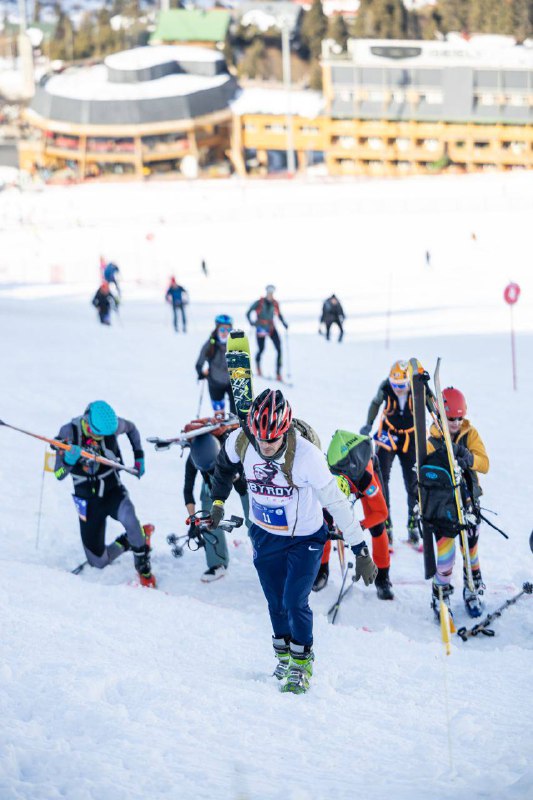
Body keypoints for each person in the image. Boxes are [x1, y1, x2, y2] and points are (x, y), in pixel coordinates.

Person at [208, 389, 377, 694]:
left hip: (305, 538)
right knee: (275, 602)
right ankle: (284, 657)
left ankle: (302, 664)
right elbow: (222, 467)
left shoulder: (307, 457)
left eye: (271, 440)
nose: (265, 445)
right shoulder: (241, 440)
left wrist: (361, 549)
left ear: (284, 431)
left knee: (294, 600)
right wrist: (218, 501)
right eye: (260, 437)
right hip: (264, 532)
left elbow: (337, 504)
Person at [53, 400, 155, 587]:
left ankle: (143, 567)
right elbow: (58, 474)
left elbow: (132, 429)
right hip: (87, 502)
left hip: (112, 492)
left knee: (130, 520)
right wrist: (68, 459)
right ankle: (128, 541)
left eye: (104, 436)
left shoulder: (112, 426)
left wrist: (139, 456)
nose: (100, 439)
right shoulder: (68, 432)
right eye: (96, 434)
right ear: (87, 422)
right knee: (98, 562)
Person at [425, 387, 489, 619]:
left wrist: (468, 458)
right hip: (443, 506)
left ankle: (472, 588)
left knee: (470, 550)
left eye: (460, 418)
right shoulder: (432, 439)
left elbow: (485, 464)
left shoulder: (469, 434)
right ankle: (440, 595)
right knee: (446, 556)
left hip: (469, 501)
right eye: (451, 418)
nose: (456, 423)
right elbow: (424, 470)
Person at [315, 430, 393, 600]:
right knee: (324, 524)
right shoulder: (325, 481)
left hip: (366, 470)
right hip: (341, 479)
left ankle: (383, 577)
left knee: (378, 528)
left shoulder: (366, 480)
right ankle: (322, 569)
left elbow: (382, 513)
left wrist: (359, 525)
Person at [360, 360, 418, 546]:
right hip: (388, 434)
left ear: (408, 381)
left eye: (401, 385)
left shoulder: (417, 388)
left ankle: (413, 525)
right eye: (395, 385)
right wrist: (369, 423)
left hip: (410, 437)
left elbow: (432, 405)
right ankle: (387, 525)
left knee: (413, 481)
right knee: (381, 478)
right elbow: (375, 403)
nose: (398, 389)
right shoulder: (385, 386)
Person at [184, 425, 249, 582]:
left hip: (238, 475)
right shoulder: (194, 458)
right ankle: (217, 563)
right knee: (208, 514)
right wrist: (194, 520)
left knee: (255, 514)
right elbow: (188, 490)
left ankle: (267, 554)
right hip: (211, 483)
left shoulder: (234, 448)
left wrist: (237, 479)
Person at [195, 315, 236, 416]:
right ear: (217, 328)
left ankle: (235, 429)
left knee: (235, 415)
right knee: (219, 415)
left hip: (232, 383)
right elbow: (199, 363)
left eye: (228, 329)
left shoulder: (235, 343)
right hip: (215, 382)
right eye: (222, 329)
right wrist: (201, 372)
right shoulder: (210, 344)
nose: (224, 332)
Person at [246, 285, 288, 381]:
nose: (270, 294)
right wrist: (251, 322)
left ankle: (278, 373)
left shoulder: (275, 303)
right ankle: (258, 367)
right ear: (266, 292)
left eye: (272, 292)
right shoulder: (259, 302)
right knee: (261, 349)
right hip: (260, 328)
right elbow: (248, 312)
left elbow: (279, 314)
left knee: (279, 349)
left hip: (271, 328)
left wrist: (284, 323)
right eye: (269, 292)